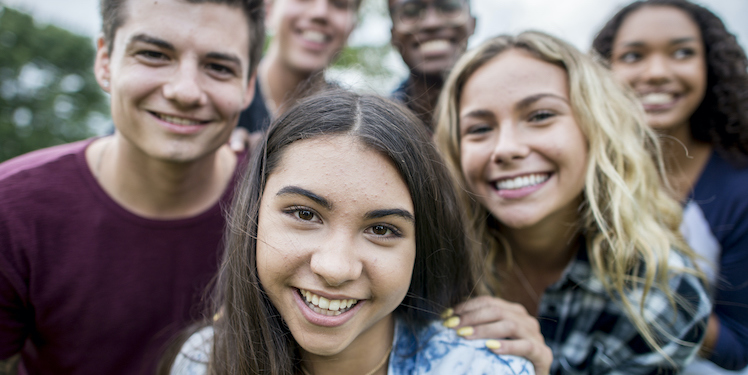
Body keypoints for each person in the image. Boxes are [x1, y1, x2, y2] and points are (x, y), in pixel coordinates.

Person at [164, 90, 535, 375]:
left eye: (381, 229)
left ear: (422, 247)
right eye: (305, 214)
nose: (336, 268)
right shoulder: (202, 361)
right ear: (254, 216)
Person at [0, 0, 264, 373]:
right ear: (105, 61)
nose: (185, 91)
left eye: (218, 67)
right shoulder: (12, 209)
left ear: (248, 84)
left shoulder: (275, 204)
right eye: (154, 55)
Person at [434, 31, 712, 374]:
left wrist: (544, 368)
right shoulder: (428, 264)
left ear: (595, 129)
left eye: (540, 116)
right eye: (478, 128)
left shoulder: (663, 294)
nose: (505, 148)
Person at [592, 1, 748, 373]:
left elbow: (738, 347)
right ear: (601, 72)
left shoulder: (739, 190)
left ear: (710, 67)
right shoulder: (581, 175)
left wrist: (645, 281)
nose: (657, 72)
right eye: (633, 55)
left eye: (682, 52)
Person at [233, 0, 359, 139]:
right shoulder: (225, 97)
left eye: (339, 4)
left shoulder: (355, 122)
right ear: (268, 10)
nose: (320, 13)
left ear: (352, 27)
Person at [389, 0, 475, 130]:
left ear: (473, 23)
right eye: (411, 11)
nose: (431, 23)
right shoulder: (376, 130)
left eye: (449, 7)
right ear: (393, 34)